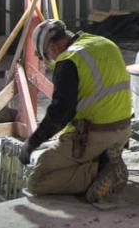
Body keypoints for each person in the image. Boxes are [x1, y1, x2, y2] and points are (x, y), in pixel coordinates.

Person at [19, 19, 132, 202]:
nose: (51, 60)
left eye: (47, 56)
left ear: (53, 47)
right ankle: (107, 160)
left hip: (95, 135)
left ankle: (100, 171)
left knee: (37, 180)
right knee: (62, 155)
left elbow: (60, 113)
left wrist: (31, 143)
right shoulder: (104, 42)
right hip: (123, 131)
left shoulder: (68, 60)